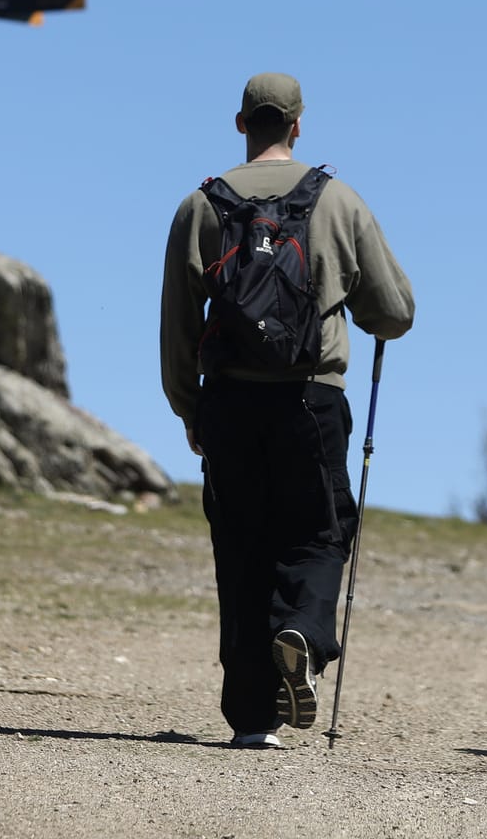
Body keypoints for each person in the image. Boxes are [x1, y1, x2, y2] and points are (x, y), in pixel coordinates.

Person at [160, 72, 415, 749]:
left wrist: (191, 407)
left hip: (230, 400)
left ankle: (252, 717)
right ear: (298, 125)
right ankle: (302, 627)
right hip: (312, 398)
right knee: (318, 533)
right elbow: (393, 313)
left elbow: (178, 323)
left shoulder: (201, 206)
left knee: (240, 545)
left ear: (241, 123)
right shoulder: (336, 200)